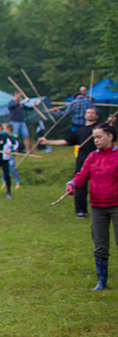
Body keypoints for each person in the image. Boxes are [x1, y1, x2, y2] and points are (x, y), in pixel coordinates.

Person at [64, 123, 117, 290]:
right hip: (97, 207)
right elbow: (82, 174)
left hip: (116, 205)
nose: (96, 140)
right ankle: (101, 281)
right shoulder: (92, 156)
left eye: (99, 137)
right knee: (100, 246)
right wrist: (72, 183)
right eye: (94, 137)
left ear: (111, 137)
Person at [42, 107, 102, 219]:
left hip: (99, 159)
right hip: (82, 159)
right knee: (79, 184)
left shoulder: (101, 129)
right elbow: (66, 141)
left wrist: (111, 122)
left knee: (100, 184)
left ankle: (101, 209)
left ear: (97, 116)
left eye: (93, 113)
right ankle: (81, 210)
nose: (90, 114)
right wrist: (48, 142)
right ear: (84, 115)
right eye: (88, 112)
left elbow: (111, 134)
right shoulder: (80, 131)